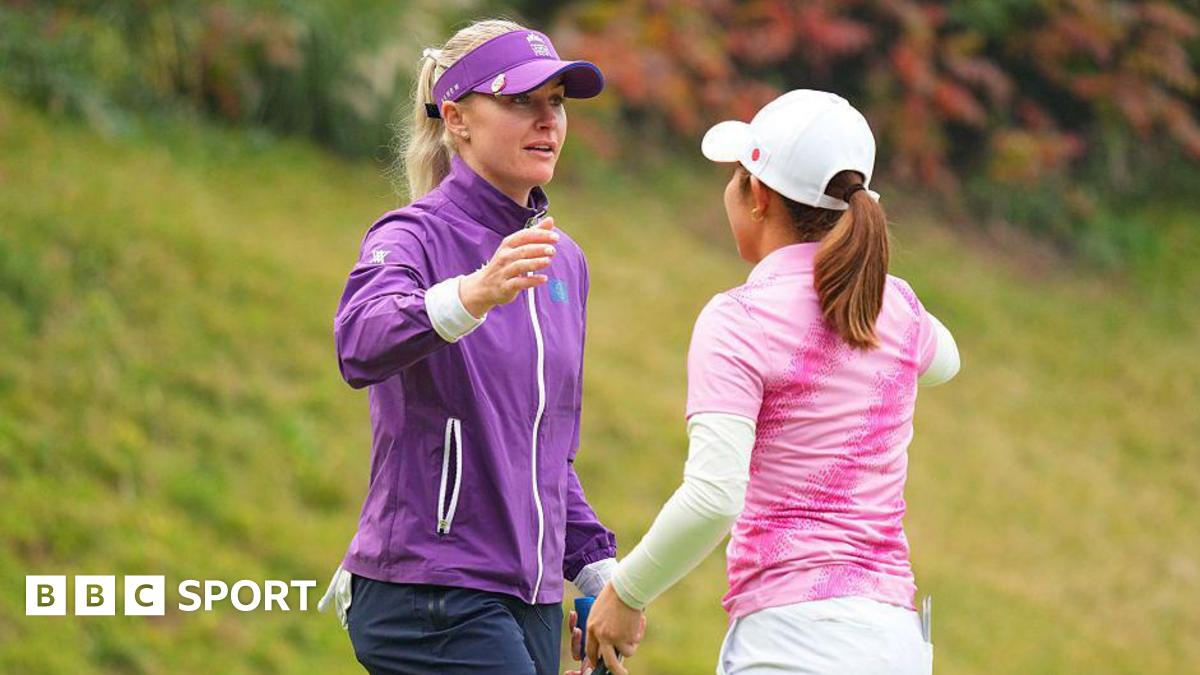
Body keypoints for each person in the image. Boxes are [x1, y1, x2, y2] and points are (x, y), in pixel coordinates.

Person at [579, 90, 960, 675]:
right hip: (894, 641)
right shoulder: (897, 306)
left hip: (791, 642)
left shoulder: (740, 319)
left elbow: (714, 497)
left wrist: (625, 594)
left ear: (756, 195)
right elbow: (947, 360)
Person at [315, 19, 621, 675]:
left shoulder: (564, 262)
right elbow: (358, 340)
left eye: (557, 102)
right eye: (520, 101)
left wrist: (598, 569)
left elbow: (543, 446)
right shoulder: (413, 235)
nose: (547, 121)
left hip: (530, 597)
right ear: (457, 118)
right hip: (430, 590)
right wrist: (471, 295)